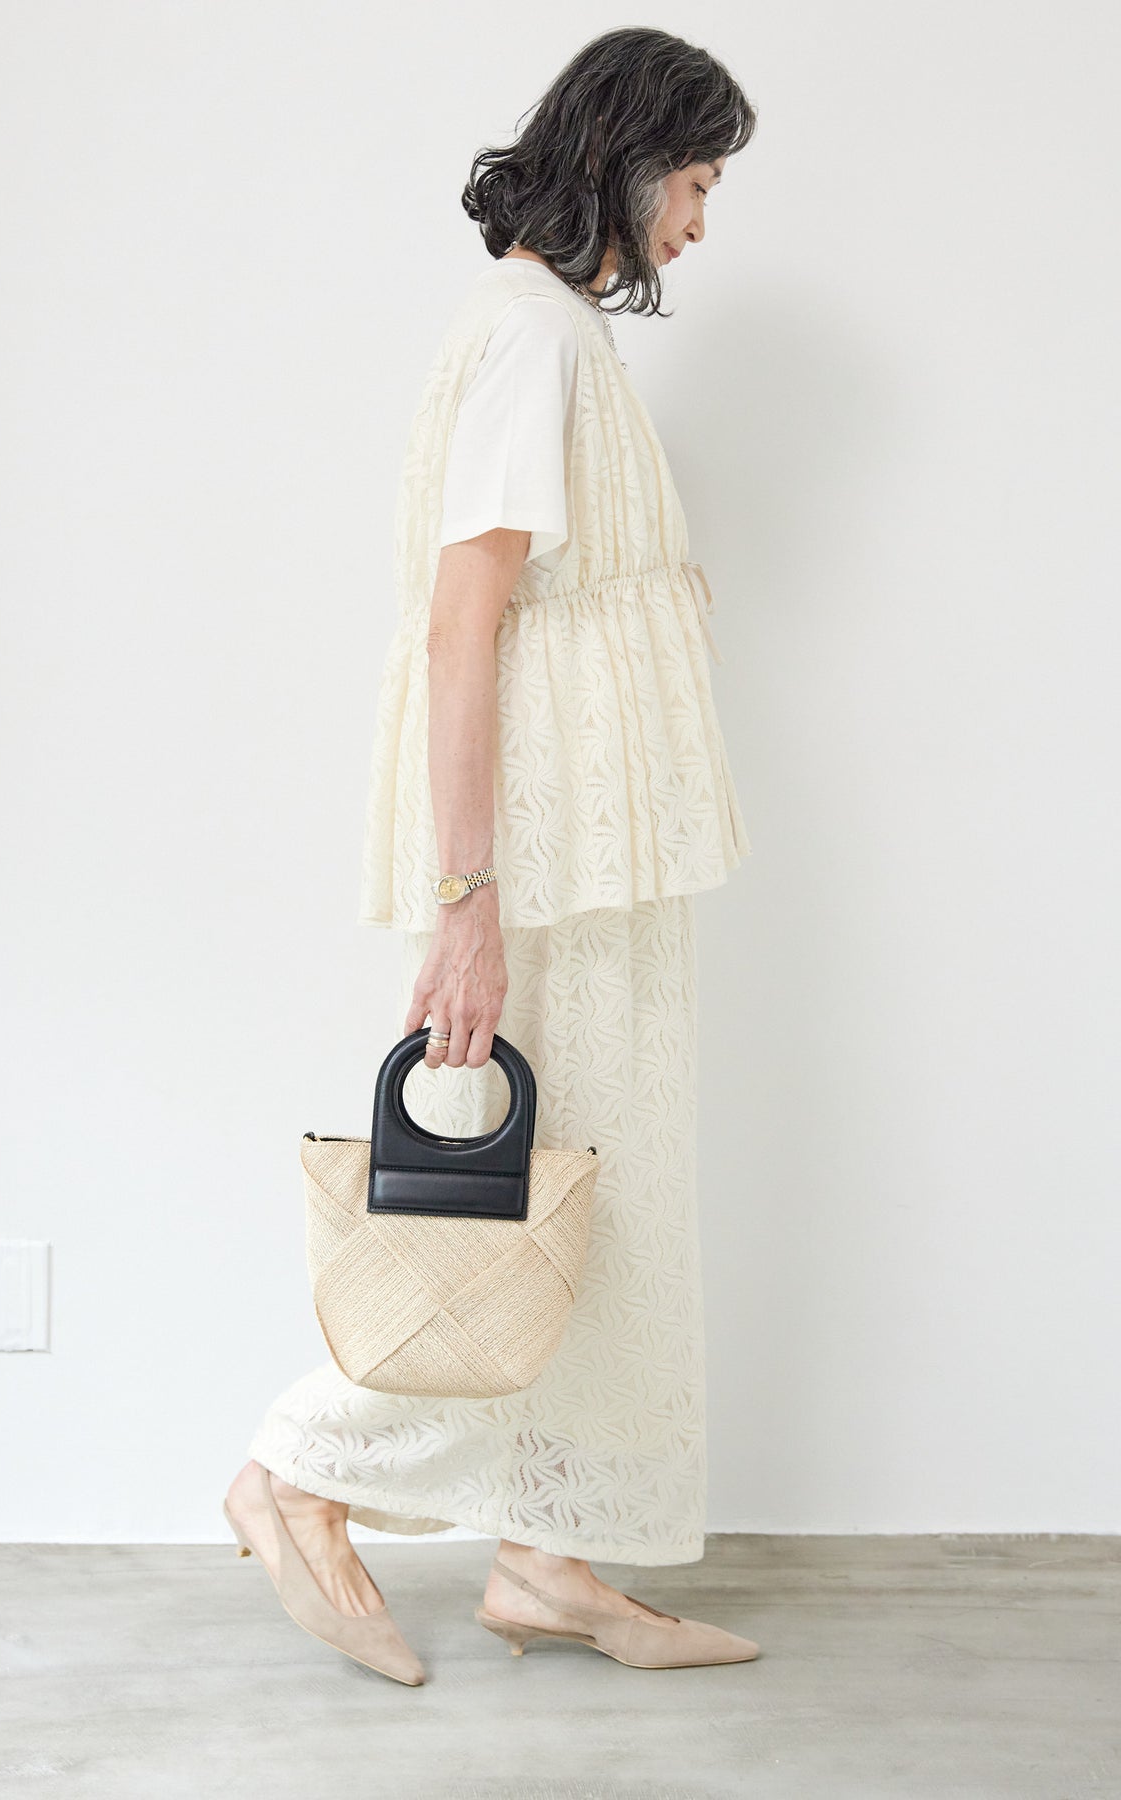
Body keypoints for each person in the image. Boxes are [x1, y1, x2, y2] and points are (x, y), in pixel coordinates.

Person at [224, 27, 760, 1685]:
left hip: (595, 840)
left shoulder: (552, 334)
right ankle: (300, 1475)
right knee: (526, 1207)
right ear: (627, 158)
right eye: (696, 180)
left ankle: (546, 1557)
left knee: (607, 1196)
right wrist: (469, 902)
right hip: (552, 848)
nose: (700, 221)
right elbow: (468, 623)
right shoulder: (532, 338)